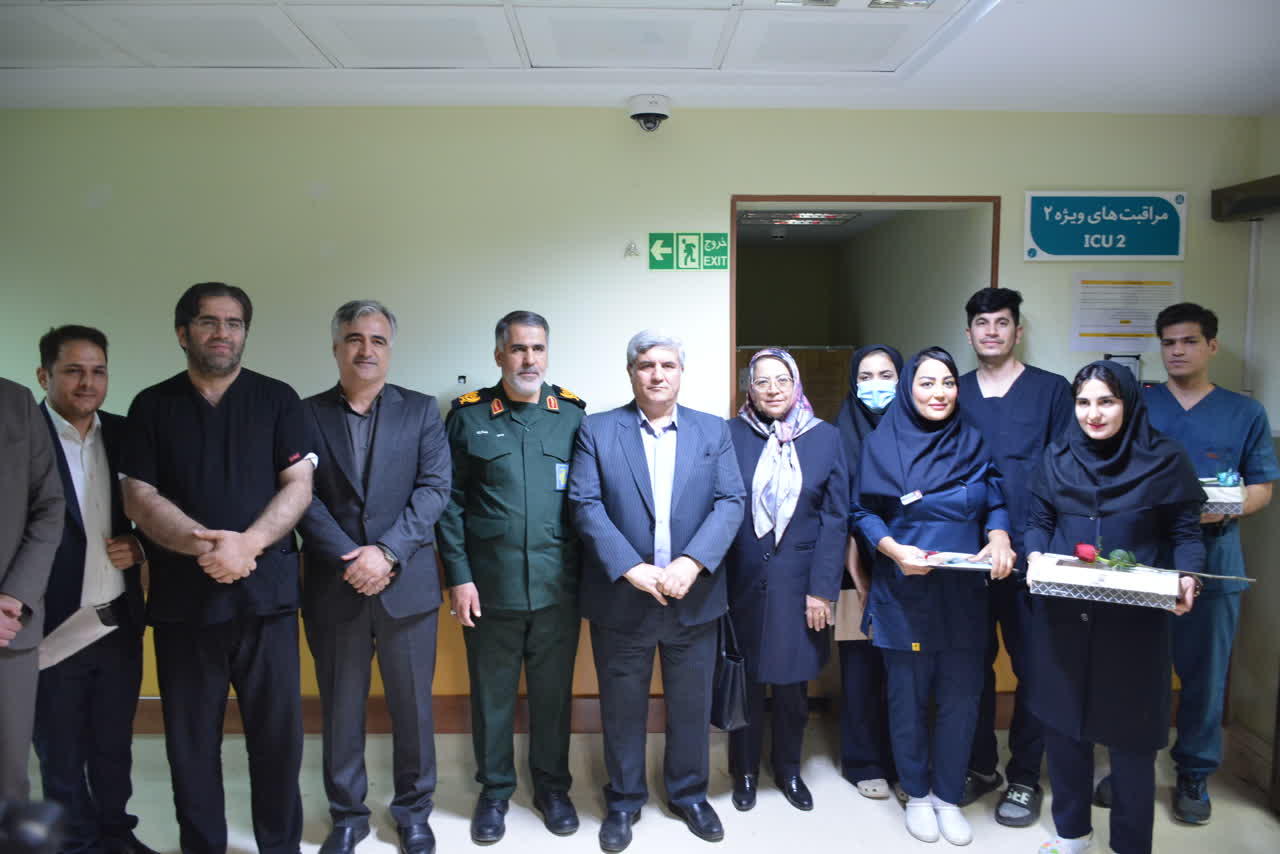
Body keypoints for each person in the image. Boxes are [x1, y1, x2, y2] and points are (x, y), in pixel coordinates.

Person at [121, 282, 314, 854]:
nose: (223, 333)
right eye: (209, 322)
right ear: (183, 333)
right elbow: (138, 496)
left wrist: (248, 544)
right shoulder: (151, 405)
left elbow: (299, 484)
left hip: (267, 602)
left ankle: (279, 845)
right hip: (184, 606)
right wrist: (205, 546)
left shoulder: (278, 399)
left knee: (277, 741)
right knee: (190, 745)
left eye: (234, 323)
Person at [568, 330, 745, 853]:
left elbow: (731, 500)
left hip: (694, 595)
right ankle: (624, 800)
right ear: (631, 372)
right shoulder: (597, 430)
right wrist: (629, 567)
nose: (657, 374)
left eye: (668, 365)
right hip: (623, 598)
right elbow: (584, 503)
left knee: (690, 704)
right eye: (646, 365)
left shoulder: (713, 430)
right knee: (622, 706)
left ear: (681, 372)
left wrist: (693, 561)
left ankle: (689, 794)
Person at [1026, 360, 1203, 854]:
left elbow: (1186, 533)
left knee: (1132, 740)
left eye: (1106, 401)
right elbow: (1038, 521)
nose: (1094, 414)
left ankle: (1131, 844)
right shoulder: (1057, 455)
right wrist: (1036, 556)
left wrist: (1188, 576)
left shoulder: (1165, 458)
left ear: (1128, 402)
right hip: (1064, 615)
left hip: (1134, 623)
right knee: (1064, 730)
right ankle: (1072, 835)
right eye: (1084, 402)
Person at [298, 301, 451, 854]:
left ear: (390, 348)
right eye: (355, 339)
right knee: (341, 708)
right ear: (336, 347)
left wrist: (386, 553)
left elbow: (434, 489)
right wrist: (352, 557)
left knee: (414, 708)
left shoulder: (421, 411)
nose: (367, 350)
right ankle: (347, 815)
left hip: (405, 585)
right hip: (334, 585)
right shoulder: (304, 414)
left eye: (378, 340)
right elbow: (299, 496)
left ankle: (414, 812)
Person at [851, 346, 1015, 847]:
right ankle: (918, 795)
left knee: (962, 699)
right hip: (904, 589)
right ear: (909, 389)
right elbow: (863, 511)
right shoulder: (882, 443)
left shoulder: (972, 439)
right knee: (907, 699)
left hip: (964, 592)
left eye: (947, 382)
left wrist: (1000, 535)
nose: (938, 392)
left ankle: (947, 796)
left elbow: (995, 497)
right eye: (926, 383)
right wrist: (893, 550)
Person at [436, 310, 586, 844]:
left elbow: (589, 502)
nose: (529, 359)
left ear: (547, 353)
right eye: (519, 349)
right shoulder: (467, 416)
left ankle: (552, 788)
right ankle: (495, 791)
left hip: (557, 588)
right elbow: (448, 504)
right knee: (492, 696)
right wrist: (459, 576)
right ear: (499, 354)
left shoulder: (572, 415)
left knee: (553, 696)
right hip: (488, 588)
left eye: (537, 348)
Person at [1133, 302, 1279, 824]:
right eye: (1169, 342)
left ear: (1211, 346)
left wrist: (1222, 508)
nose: (1177, 351)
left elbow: (1262, 489)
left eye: (1189, 341)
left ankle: (1194, 773)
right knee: (1139, 671)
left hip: (1215, 560)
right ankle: (1132, 765)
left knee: (1205, 677)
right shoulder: (1139, 405)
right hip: (1146, 559)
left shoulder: (1244, 413)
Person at [32, 326, 156, 854]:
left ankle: (116, 834)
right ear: (44, 375)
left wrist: (142, 546)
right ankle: (76, 844)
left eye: (98, 371)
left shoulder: (127, 435)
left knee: (112, 745)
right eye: (73, 371)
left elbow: (159, 509)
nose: (88, 382)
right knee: (59, 751)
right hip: (51, 626)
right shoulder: (19, 438)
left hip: (116, 620)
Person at [956, 287, 1073, 827]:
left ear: (1017, 331)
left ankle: (1025, 776)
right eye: (982, 323)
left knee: (1035, 668)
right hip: (967, 558)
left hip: (1034, 556)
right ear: (970, 333)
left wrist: (1045, 549)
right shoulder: (953, 392)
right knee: (969, 667)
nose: (992, 332)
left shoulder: (1052, 391)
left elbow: (1066, 472)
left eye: (1002, 322)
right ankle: (980, 765)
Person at [724, 348, 847, 812]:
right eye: (762, 381)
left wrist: (822, 591)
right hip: (742, 582)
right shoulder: (729, 435)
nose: (773, 389)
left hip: (801, 587)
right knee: (745, 682)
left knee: (794, 685)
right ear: (749, 388)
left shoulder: (826, 438)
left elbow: (835, 520)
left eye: (782, 380)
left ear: (796, 385)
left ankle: (789, 770)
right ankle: (745, 771)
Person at [833, 344, 902, 800]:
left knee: (903, 671)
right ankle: (864, 762)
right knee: (860, 669)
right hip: (852, 567)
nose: (875, 385)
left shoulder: (918, 428)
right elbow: (835, 509)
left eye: (886, 375)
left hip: (909, 568)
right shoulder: (840, 433)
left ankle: (903, 761)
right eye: (866, 376)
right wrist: (858, 576)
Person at [0, 377, 65, 802]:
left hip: (6, 628)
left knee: (7, 781)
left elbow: (49, 506)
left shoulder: (15, 402)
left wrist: (14, 596)